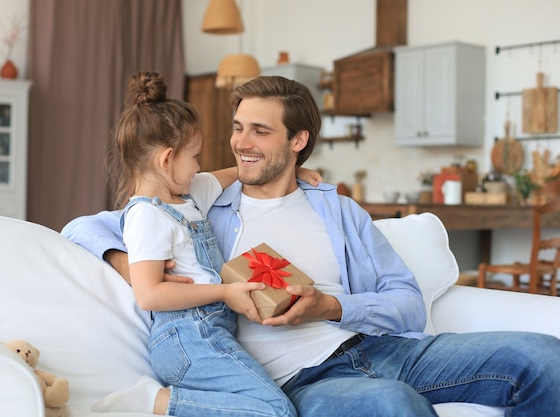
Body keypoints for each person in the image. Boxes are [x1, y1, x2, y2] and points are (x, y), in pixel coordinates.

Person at [63, 75, 560, 416]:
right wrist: (137, 268)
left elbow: (407, 303)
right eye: (238, 128)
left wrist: (331, 305)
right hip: (300, 380)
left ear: (297, 140)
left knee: (542, 356)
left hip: (378, 349)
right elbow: (83, 226)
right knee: (393, 405)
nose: (240, 142)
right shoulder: (198, 200)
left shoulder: (338, 210)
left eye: (260, 131)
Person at [89, 71, 324, 417]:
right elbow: (149, 294)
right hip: (187, 336)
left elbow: (233, 174)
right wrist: (225, 293)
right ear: (167, 159)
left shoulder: (187, 193)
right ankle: (154, 403)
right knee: (277, 411)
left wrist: (291, 168)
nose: (200, 166)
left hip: (210, 332)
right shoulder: (147, 216)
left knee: (269, 408)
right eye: (195, 156)